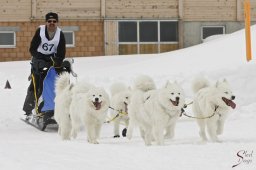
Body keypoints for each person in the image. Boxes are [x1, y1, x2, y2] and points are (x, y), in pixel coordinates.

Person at [23, 12, 66, 117]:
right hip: (38, 59)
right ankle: (29, 109)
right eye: (49, 21)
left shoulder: (60, 34)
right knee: (36, 83)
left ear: (57, 22)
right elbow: (32, 48)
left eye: (54, 21)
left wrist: (58, 61)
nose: (52, 23)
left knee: (55, 82)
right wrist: (40, 57)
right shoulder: (40, 31)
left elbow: (61, 52)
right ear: (46, 22)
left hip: (52, 60)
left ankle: (55, 106)